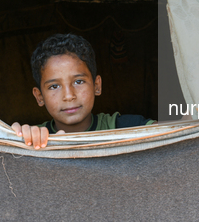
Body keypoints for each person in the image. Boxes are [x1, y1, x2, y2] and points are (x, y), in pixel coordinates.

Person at [11, 33, 156, 149]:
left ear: (97, 85)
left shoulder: (125, 127)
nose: (69, 96)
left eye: (78, 81)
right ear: (39, 96)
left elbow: (175, 137)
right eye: (54, 86)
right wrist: (14, 138)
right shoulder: (34, 139)